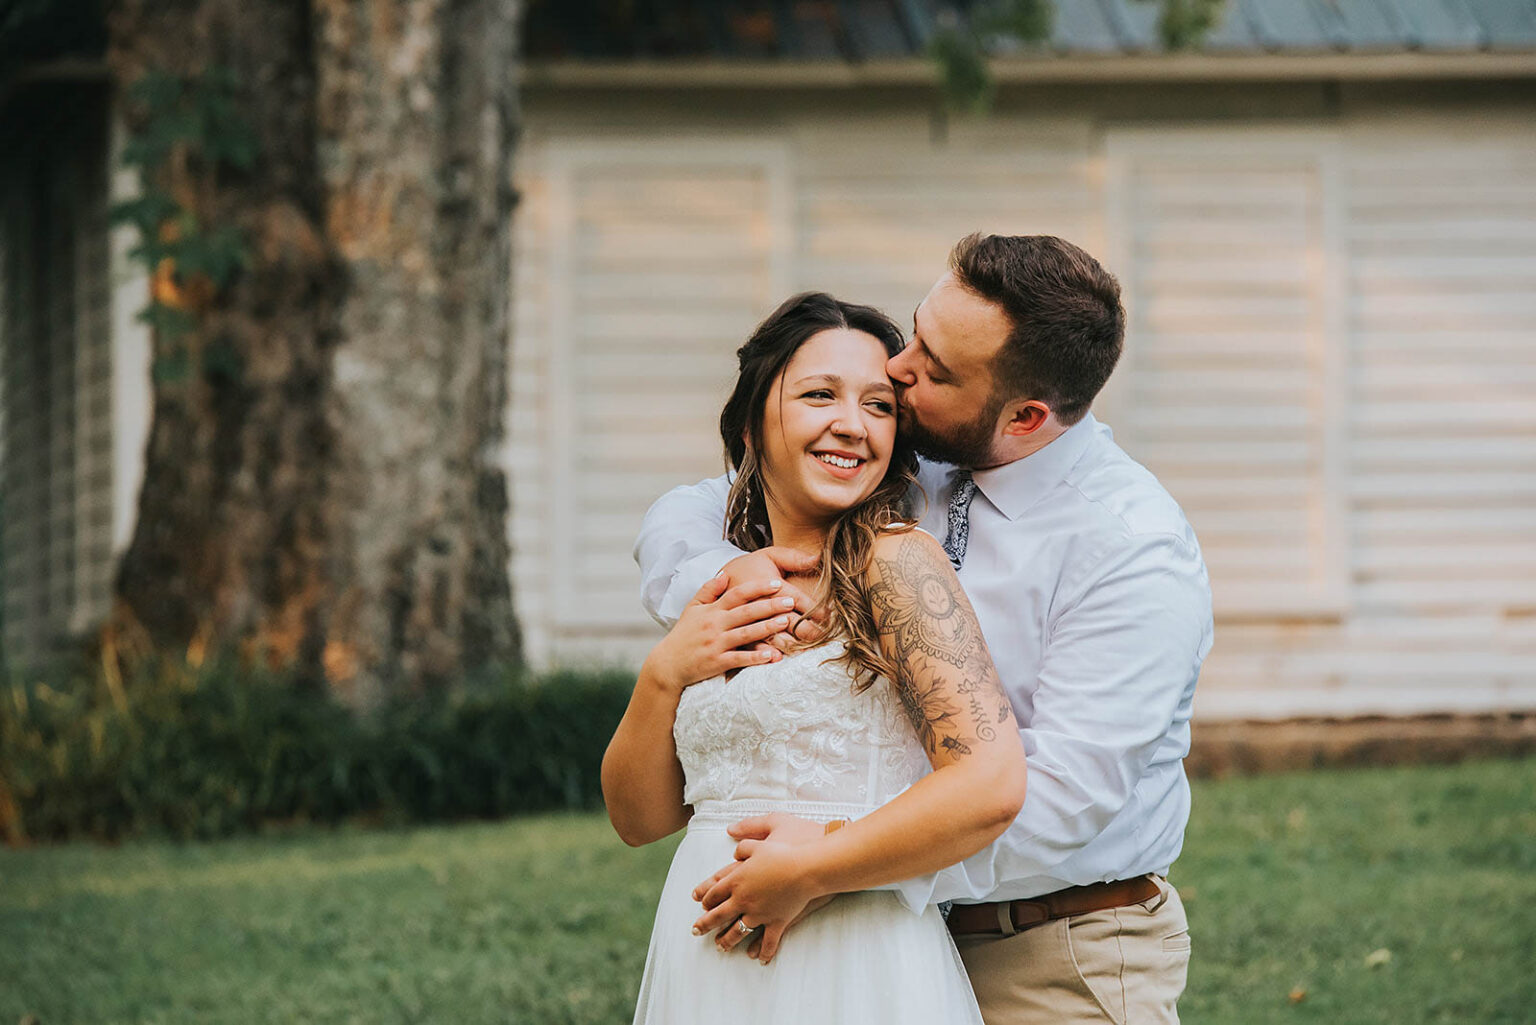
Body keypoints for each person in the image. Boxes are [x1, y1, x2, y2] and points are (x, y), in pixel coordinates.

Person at [636, 234, 1213, 1025]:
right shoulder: (920, 453)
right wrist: (729, 582)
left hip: (1055, 948)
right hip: (868, 925)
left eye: (933, 369)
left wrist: (832, 858)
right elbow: (701, 500)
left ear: (1026, 416)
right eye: (916, 333)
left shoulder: (1131, 549)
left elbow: (1061, 797)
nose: (898, 371)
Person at [603, 291, 1028, 1025]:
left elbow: (990, 782)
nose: (850, 425)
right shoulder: (725, 584)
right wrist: (666, 671)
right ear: (749, 420)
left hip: (848, 958)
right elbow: (641, 818)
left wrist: (812, 864)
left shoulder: (897, 564)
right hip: (707, 965)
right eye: (818, 394)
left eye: (878, 406)